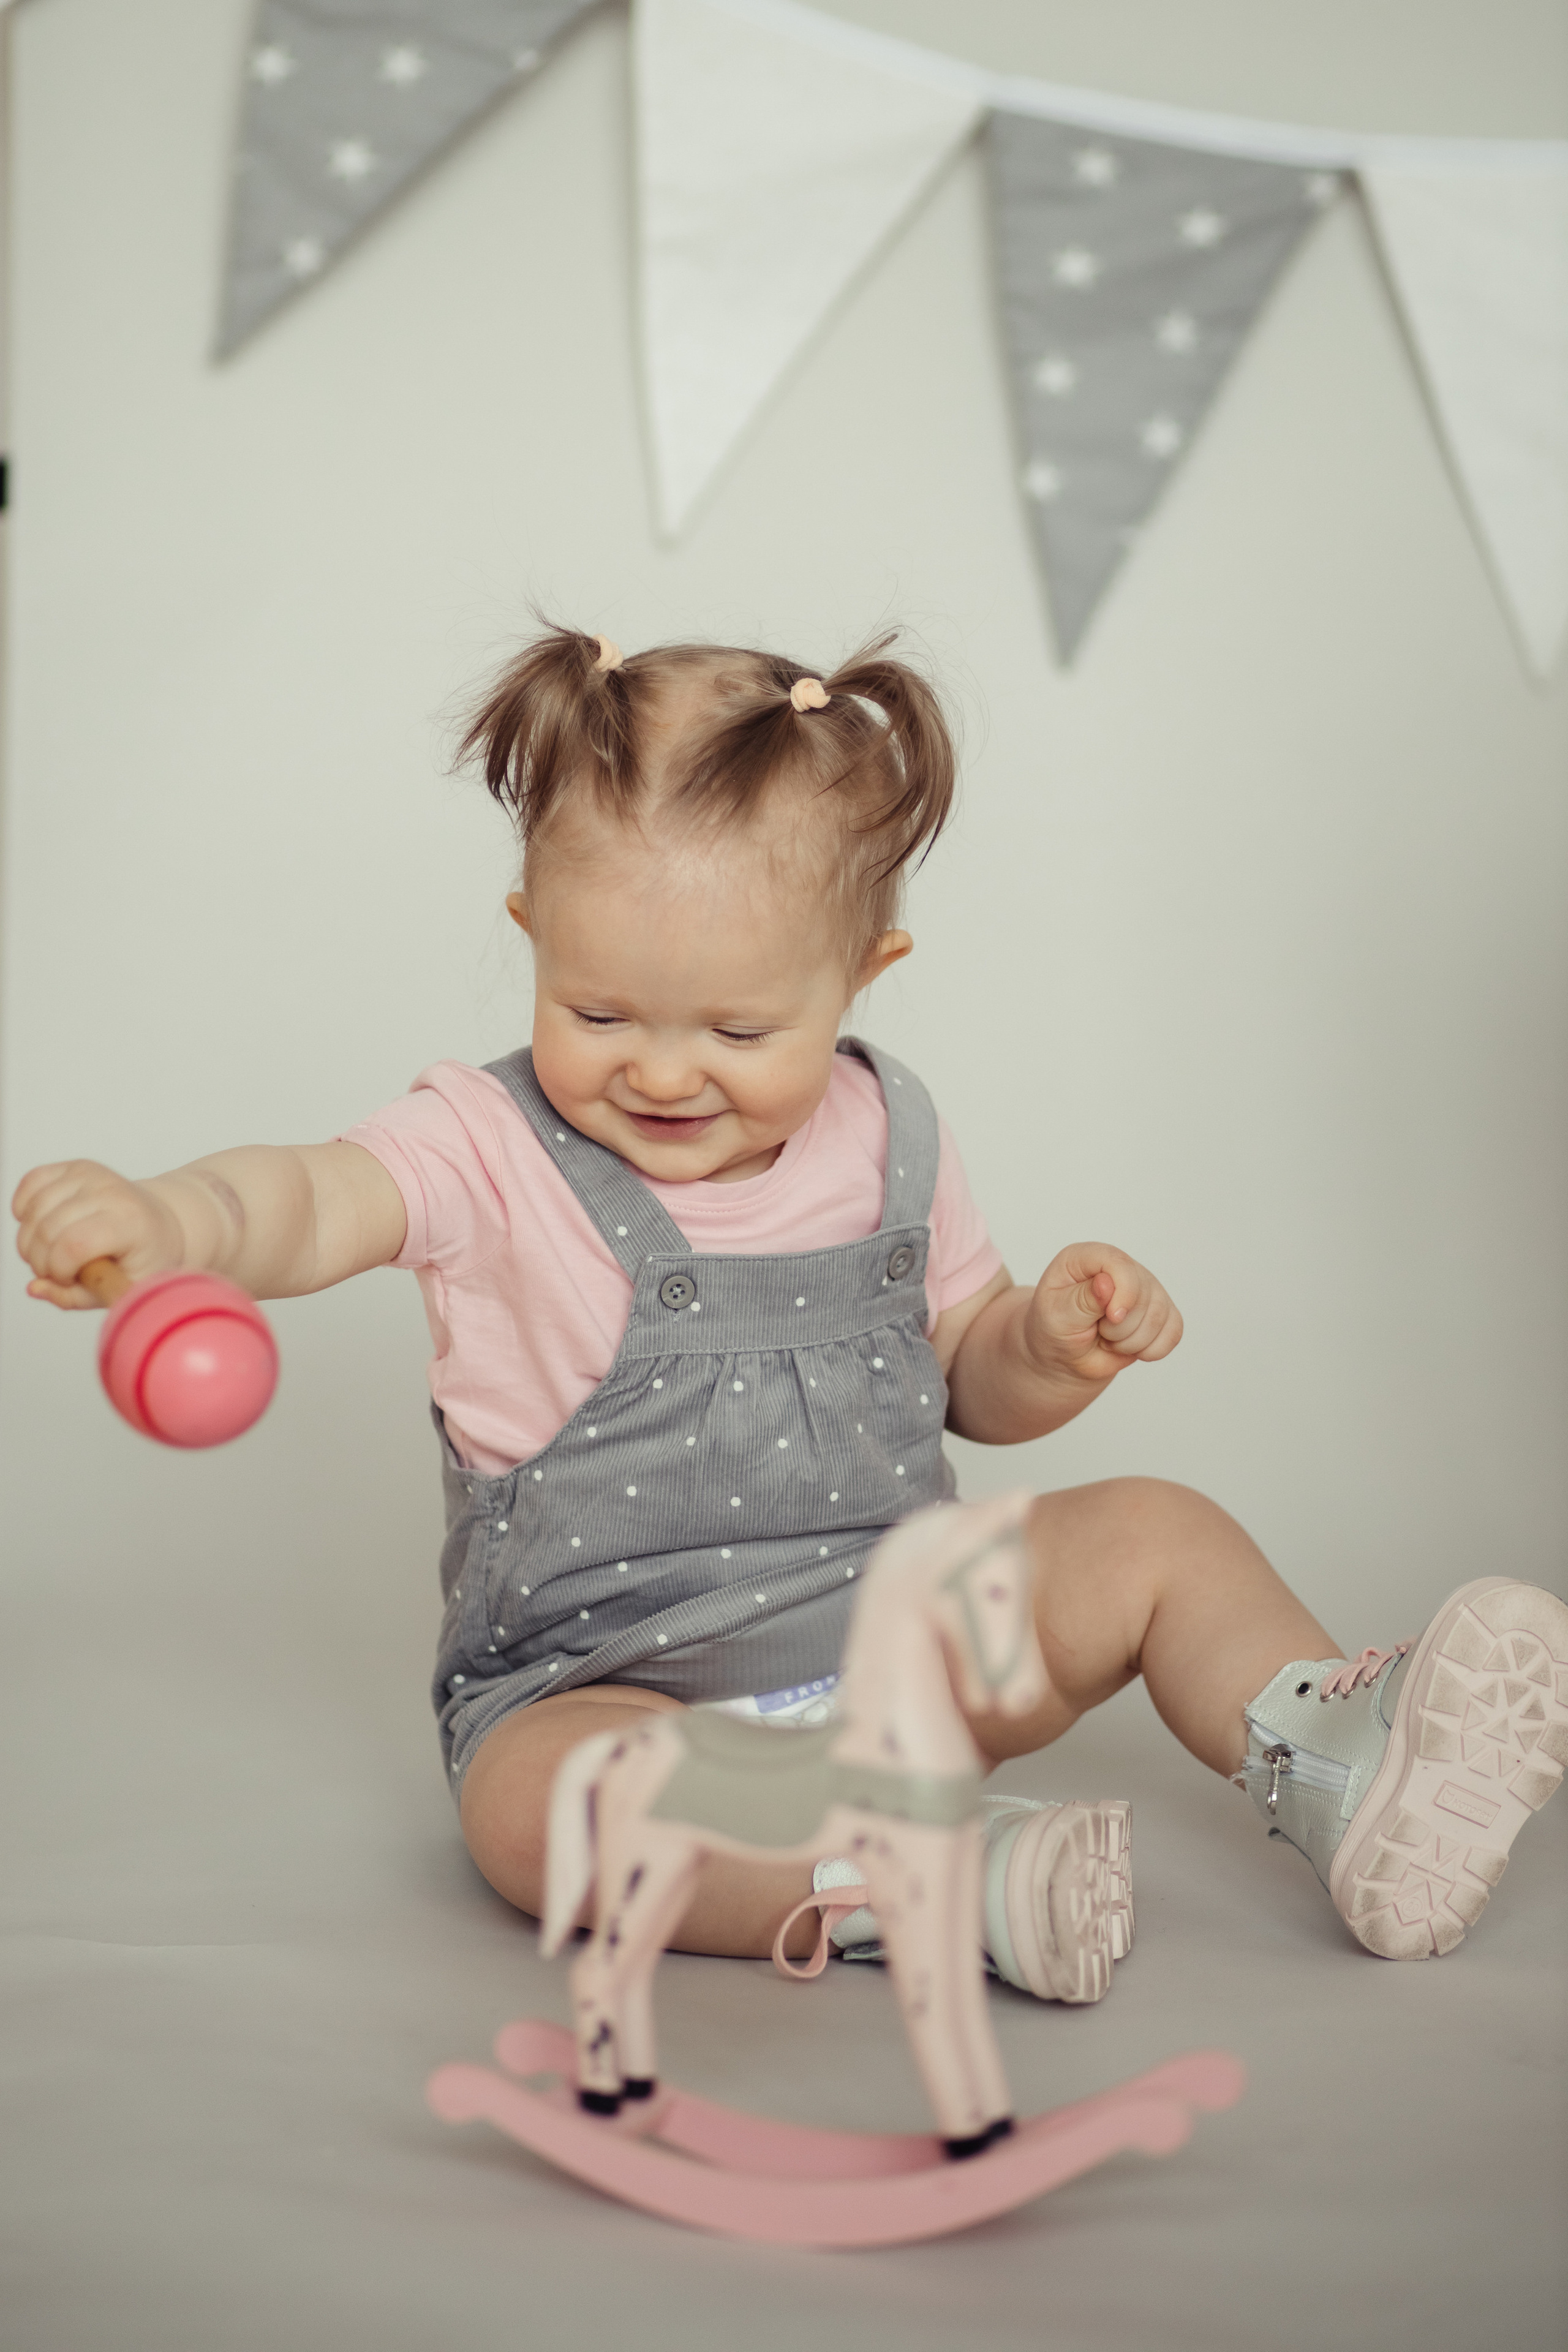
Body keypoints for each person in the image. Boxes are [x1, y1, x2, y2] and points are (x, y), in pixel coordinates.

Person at [13, 627, 1565, 1986]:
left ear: (859, 975)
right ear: (531, 944)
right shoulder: (486, 1150)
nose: (663, 1068)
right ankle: (933, 1882)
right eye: (597, 1010)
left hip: (905, 1651)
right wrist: (170, 1220)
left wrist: (1045, 1341)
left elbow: (965, 1377)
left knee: (1157, 1531)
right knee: (545, 1813)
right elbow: (301, 1197)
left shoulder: (892, 1132)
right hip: (610, 1691)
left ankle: (1332, 1759)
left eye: (741, 1026)